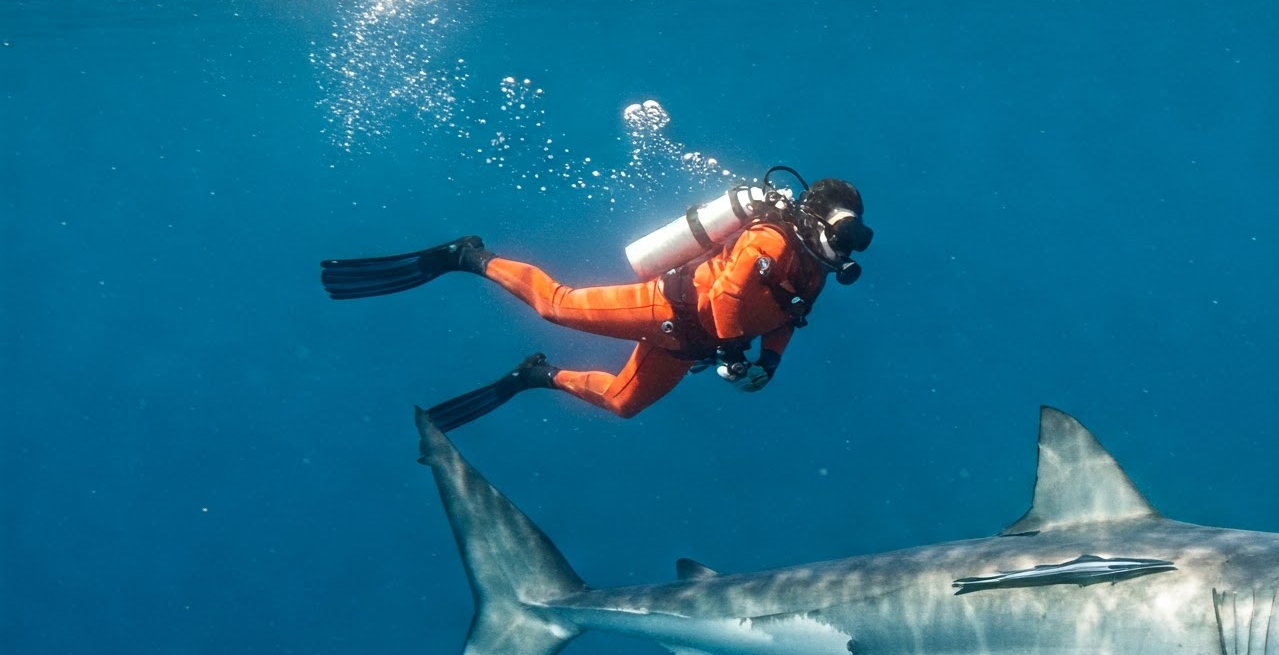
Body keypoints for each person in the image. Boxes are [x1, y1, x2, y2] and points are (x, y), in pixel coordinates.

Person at [321, 178, 871, 430]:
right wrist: (732, 354)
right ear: (815, 222)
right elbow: (728, 295)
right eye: (842, 236)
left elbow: (789, 316)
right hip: (664, 311)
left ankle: (537, 376)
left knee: (623, 406)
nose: (844, 251)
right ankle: (469, 256)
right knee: (555, 306)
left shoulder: (818, 271)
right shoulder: (771, 239)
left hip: (689, 347)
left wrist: (768, 364)